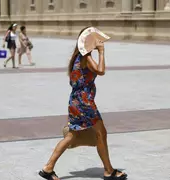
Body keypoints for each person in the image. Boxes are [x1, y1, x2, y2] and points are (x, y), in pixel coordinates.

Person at [38, 27, 128, 180]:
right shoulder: (86, 57)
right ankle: (108, 171)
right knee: (101, 133)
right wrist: (101, 52)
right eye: (94, 40)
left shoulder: (77, 58)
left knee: (72, 136)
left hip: (75, 101)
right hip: (85, 103)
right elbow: (101, 71)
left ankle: (48, 168)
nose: (97, 42)